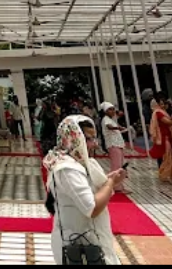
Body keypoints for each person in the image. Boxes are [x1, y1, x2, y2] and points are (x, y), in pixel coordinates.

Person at [44, 116, 122, 266]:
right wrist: (110, 183)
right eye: (89, 139)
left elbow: (87, 190)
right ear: (73, 137)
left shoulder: (80, 163)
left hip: (90, 241)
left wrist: (109, 181)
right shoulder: (67, 169)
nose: (94, 144)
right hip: (80, 245)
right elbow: (91, 208)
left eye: (95, 138)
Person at [149, 94, 172, 184]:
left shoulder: (163, 112)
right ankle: (166, 175)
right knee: (168, 156)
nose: (163, 106)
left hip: (169, 136)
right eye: (161, 104)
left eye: (164, 104)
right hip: (164, 137)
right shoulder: (158, 113)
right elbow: (168, 123)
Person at [99, 103, 129, 194]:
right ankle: (116, 186)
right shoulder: (105, 119)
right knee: (116, 166)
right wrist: (118, 127)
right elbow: (110, 127)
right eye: (110, 109)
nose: (112, 111)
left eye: (113, 109)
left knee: (118, 165)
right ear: (105, 111)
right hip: (113, 145)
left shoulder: (110, 119)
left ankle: (117, 185)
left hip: (117, 145)